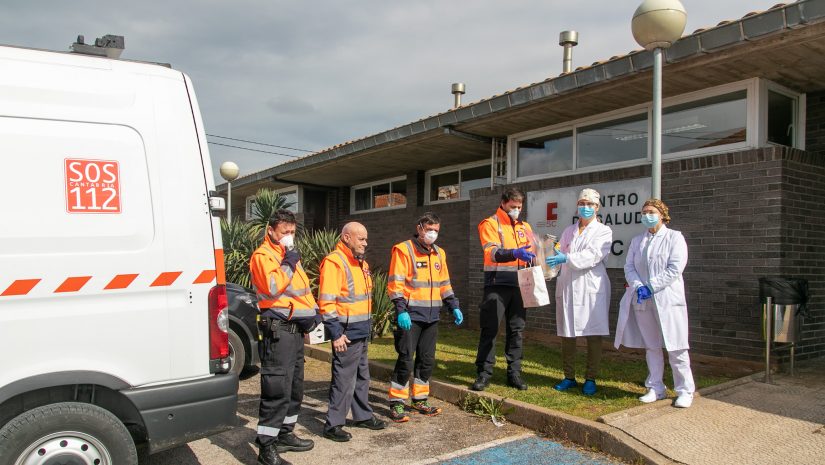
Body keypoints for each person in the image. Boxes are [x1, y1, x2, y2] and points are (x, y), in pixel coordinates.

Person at [249, 209, 319, 465]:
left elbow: (300, 291)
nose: (289, 236)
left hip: (295, 331)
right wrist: (289, 262)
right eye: (284, 232)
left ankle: (285, 434)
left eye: (292, 232)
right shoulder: (264, 256)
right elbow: (274, 287)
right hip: (278, 331)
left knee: (294, 387)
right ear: (271, 231)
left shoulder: (288, 255)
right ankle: (266, 446)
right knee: (276, 388)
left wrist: (314, 313)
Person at [614, 198, 695, 408]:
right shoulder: (637, 240)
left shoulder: (674, 238)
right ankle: (656, 387)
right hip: (642, 300)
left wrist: (650, 286)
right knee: (652, 347)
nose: (646, 215)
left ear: (662, 214)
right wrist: (639, 286)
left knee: (676, 346)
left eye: (651, 211)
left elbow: (675, 268)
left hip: (667, 299)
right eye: (644, 212)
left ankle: (685, 390)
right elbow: (629, 266)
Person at [386, 213, 463, 422]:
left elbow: (444, 284)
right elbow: (396, 284)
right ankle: (397, 402)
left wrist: (453, 306)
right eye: (429, 229)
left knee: (426, 360)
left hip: (431, 317)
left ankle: (419, 399)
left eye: (436, 230)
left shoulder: (439, 253)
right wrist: (401, 310)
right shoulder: (403, 250)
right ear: (419, 228)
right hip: (410, 316)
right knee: (405, 359)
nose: (432, 233)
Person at [318, 222, 387, 441]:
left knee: (361, 377)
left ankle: (362, 416)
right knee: (343, 379)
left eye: (366, 239)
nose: (365, 243)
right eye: (361, 239)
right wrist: (336, 333)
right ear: (346, 238)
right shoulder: (334, 262)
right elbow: (326, 303)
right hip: (346, 332)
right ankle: (333, 425)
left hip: (361, 329)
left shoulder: (360, 263)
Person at [547, 188, 612, 396]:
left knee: (593, 334)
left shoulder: (604, 231)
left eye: (589, 204)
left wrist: (566, 258)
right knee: (568, 333)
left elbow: (593, 255)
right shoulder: (568, 230)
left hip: (591, 287)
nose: (585, 207)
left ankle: (590, 378)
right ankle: (569, 376)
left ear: (597, 207)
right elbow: (561, 252)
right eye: (582, 203)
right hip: (568, 285)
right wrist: (553, 256)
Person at [472, 187, 536, 392]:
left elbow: (533, 251)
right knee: (490, 329)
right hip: (497, 284)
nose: (516, 210)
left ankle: (514, 373)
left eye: (519, 207)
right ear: (503, 202)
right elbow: (492, 253)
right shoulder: (490, 223)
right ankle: (484, 373)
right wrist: (515, 253)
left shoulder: (525, 226)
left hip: (520, 284)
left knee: (516, 330)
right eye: (513, 207)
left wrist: (545, 250)